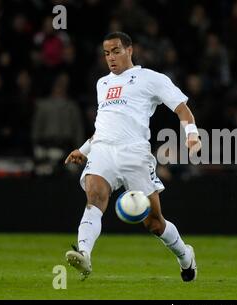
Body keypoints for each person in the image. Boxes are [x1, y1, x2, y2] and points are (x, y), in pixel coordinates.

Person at [64, 31, 201, 281]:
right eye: (106, 53)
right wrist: (83, 150)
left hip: (135, 153)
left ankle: (184, 255)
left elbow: (182, 109)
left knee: (154, 223)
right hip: (103, 150)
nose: (111, 58)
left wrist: (191, 134)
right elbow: (104, 126)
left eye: (116, 51)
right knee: (94, 197)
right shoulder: (102, 83)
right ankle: (84, 253)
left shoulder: (150, 78)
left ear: (130, 50)